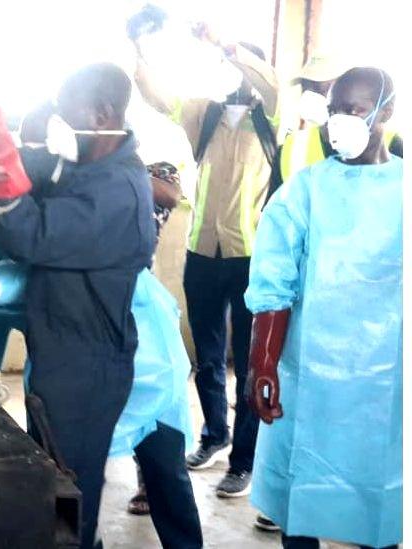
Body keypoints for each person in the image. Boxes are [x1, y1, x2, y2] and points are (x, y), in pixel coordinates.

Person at [0, 63, 156, 548]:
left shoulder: (119, 194)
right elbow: (36, 172)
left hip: (86, 369)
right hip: (60, 352)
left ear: (102, 114)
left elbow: (33, 232)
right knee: (56, 481)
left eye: (66, 116)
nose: (58, 128)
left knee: (68, 493)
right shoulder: (88, 166)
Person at [244, 67, 402, 549]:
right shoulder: (305, 190)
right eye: (334, 111)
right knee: (303, 495)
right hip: (309, 372)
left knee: (385, 496)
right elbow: (274, 281)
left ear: (385, 112)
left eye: (353, 110)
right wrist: (262, 361)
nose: (339, 122)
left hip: (387, 379)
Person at [134, 24, 278, 498]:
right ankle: (215, 435)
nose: (238, 79)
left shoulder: (273, 117)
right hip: (203, 253)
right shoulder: (207, 115)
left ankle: (244, 461)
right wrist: (141, 47)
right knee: (209, 357)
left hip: (250, 256)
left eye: (245, 69)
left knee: (248, 364)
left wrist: (231, 45)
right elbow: (159, 96)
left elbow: (270, 84)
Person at [271, 53, 402, 199]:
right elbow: (274, 216)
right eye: (308, 88)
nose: (313, 97)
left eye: (325, 89)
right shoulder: (291, 149)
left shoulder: (394, 147)